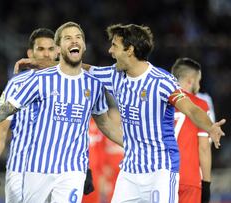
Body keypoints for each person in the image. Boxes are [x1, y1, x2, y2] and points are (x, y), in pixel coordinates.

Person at [0, 21, 123, 203]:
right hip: (37, 169)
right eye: (68, 38)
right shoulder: (39, 81)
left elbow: (105, 124)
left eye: (78, 38)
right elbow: (4, 111)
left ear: (83, 45)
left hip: (72, 171)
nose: (74, 41)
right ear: (60, 47)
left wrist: (136, 144)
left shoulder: (94, 84)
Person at [89, 24, 225, 203]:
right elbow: (84, 70)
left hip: (160, 171)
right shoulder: (114, 75)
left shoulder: (162, 81)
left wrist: (209, 127)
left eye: (114, 45)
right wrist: (52, 63)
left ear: (129, 50)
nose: (110, 50)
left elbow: (190, 108)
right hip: (130, 171)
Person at [0, 28, 59, 203]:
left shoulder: (71, 84)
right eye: (41, 49)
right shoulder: (16, 84)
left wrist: (86, 168)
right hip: (21, 169)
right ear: (30, 53)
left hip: (59, 170)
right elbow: (2, 128)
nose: (46, 54)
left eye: (50, 49)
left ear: (57, 52)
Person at [171, 57, 212, 203]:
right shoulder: (200, 105)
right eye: (198, 81)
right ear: (190, 80)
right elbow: (204, 148)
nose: (199, 86)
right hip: (189, 179)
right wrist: (206, 185)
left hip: (160, 178)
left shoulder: (160, 101)